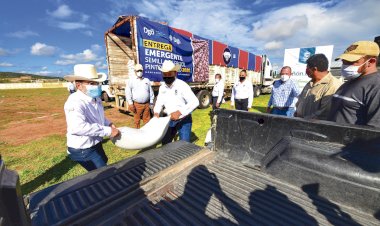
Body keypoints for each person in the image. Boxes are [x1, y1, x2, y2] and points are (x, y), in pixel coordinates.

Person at [63, 64, 120, 171]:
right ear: (79, 85)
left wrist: (109, 123)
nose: (96, 86)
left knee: (104, 161)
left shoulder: (95, 98)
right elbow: (78, 128)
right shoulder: (74, 102)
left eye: (97, 83)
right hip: (83, 148)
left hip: (95, 142)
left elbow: (99, 116)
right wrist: (108, 131)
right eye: (91, 83)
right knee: (102, 174)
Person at [328, 41, 380, 127]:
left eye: (350, 62)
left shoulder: (376, 87)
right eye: (344, 61)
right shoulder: (349, 81)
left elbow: (374, 130)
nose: (345, 65)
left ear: (371, 61)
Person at [153, 60, 199, 144]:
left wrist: (179, 112)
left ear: (175, 73)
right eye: (165, 74)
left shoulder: (182, 85)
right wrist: (156, 112)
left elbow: (195, 102)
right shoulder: (162, 87)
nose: (167, 76)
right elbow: (159, 102)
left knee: (184, 144)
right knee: (165, 143)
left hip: (184, 119)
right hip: (169, 119)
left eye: (169, 74)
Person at [295, 54, 342, 120]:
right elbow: (300, 101)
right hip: (300, 122)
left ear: (315, 69)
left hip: (312, 126)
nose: (306, 70)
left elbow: (324, 112)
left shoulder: (333, 85)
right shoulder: (310, 83)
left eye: (307, 67)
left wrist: (304, 120)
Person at [126, 64, 154, 128]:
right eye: (138, 71)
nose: (139, 72)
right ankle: (137, 133)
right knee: (137, 121)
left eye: (140, 70)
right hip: (137, 105)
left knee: (147, 120)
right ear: (135, 71)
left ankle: (146, 133)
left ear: (143, 71)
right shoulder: (131, 81)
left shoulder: (147, 80)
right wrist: (130, 104)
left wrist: (151, 102)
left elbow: (151, 92)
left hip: (147, 104)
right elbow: (128, 92)